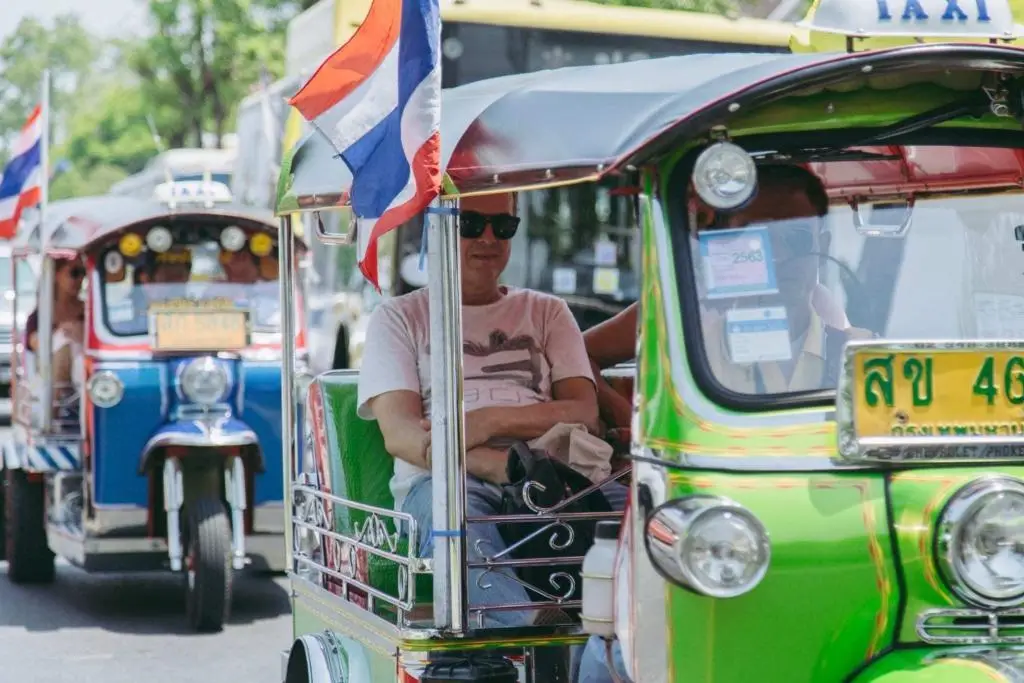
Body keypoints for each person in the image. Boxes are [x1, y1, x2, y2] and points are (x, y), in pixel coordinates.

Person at [575, 164, 871, 683]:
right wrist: (628, 423)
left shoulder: (857, 351)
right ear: (729, 244)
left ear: (822, 242)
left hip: (821, 554)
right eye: (760, 239)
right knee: (613, 653)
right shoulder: (685, 323)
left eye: (797, 238)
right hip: (710, 551)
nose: (781, 257)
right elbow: (579, 356)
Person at [358, 192, 626, 627]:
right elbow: (402, 434)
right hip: (449, 477)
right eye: (471, 224)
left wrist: (487, 422)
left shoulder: (548, 311)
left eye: (503, 227)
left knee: (645, 516)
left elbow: (583, 410)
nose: (488, 238)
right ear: (439, 228)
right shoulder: (399, 317)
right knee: (457, 511)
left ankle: (642, 638)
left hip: (556, 469)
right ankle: (531, 632)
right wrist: (495, 464)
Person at [25, 256, 86, 399]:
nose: (80, 279)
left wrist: (81, 333)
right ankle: (54, 408)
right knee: (64, 349)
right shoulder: (41, 314)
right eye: (74, 273)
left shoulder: (88, 310)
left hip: (82, 369)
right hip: (51, 372)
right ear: (56, 275)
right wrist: (63, 332)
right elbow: (35, 343)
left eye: (83, 273)